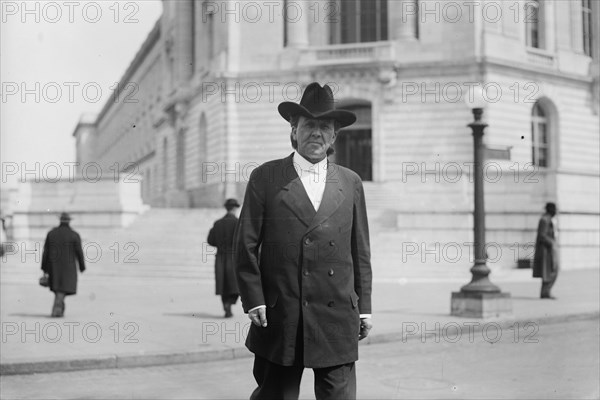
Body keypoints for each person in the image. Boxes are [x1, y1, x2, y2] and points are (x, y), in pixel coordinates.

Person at [235, 82, 373, 400]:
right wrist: (254, 299)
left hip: (337, 313)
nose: (316, 133)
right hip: (281, 313)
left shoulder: (351, 182)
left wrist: (364, 307)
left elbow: (360, 250)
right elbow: (246, 245)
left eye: (324, 127)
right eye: (309, 125)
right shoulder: (265, 177)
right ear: (294, 130)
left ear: (334, 136)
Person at [41, 212, 86, 317]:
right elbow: (79, 252)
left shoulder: (51, 233)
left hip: (53, 267)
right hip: (68, 268)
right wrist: (82, 266)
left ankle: (59, 308)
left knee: (58, 288)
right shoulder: (74, 235)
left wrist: (44, 268)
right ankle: (57, 310)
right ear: (69, 221)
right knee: (62, 288)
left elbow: (45, 252)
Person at [207, 198, 241, 318]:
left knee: (223, 284)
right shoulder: (238, 223)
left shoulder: (218, 223)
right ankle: (230, 303)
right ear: (236, 208)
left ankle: (226, 306)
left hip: (221, 257)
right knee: (236, 283)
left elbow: (210, 240)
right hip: (234, 257)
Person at [533, 202, 559, 299]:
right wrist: (552, 243)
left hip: (549, 249)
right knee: (550, 271)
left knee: (551, 271)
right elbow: (542, 236)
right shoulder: (544, 220)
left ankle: (546, 292)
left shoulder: (549, 220)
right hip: (546, 251)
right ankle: (545, 292)